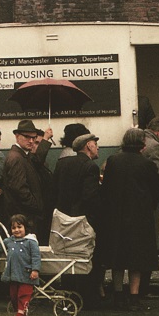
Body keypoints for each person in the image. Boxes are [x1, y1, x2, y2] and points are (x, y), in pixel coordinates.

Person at [99, 128, 159, 311]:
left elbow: (106, 188)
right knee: (137, 258)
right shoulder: (147, 164)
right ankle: (134, 296)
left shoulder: (113, 161)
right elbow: (156, 189)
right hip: (139, 217)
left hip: (116, 216)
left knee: (117, 257)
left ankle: (118, 294)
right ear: (141, 144)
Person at [54, 131, 102, 306]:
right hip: (83, 221)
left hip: (63, 220)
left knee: (68, 257)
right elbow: (90, 198)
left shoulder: (62, 164)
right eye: (95, 144)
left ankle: (69, 295)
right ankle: (87, 298)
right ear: (88, 145)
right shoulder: (91, 167)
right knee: (85, 257)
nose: (98, 148)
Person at [0, 213, 40, 316]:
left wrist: (35, 270)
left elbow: (36, 256)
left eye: (19, 227)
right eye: (13, 227)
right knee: (13, 295)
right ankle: (20, 312)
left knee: (23, 295)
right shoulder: (10, 240)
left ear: (26, 227)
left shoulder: (31, 241)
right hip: (14, 274)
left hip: (26, 275)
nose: (16, 230)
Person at [2, 119, 52, 233]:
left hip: (25, 217)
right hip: (23, 219)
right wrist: (37, 206)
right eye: (27, 137)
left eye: (34, 138)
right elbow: (20, 190)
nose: (31, 141)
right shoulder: (16, 158)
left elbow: (37, 160)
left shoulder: (22, 154)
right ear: (17, 136)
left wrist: (45, 139)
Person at [140, 116, 159, 298]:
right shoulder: (156, 146)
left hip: (136, 201)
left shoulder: (136, 139)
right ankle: (144, 288)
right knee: (150, 243)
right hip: (150, 201)